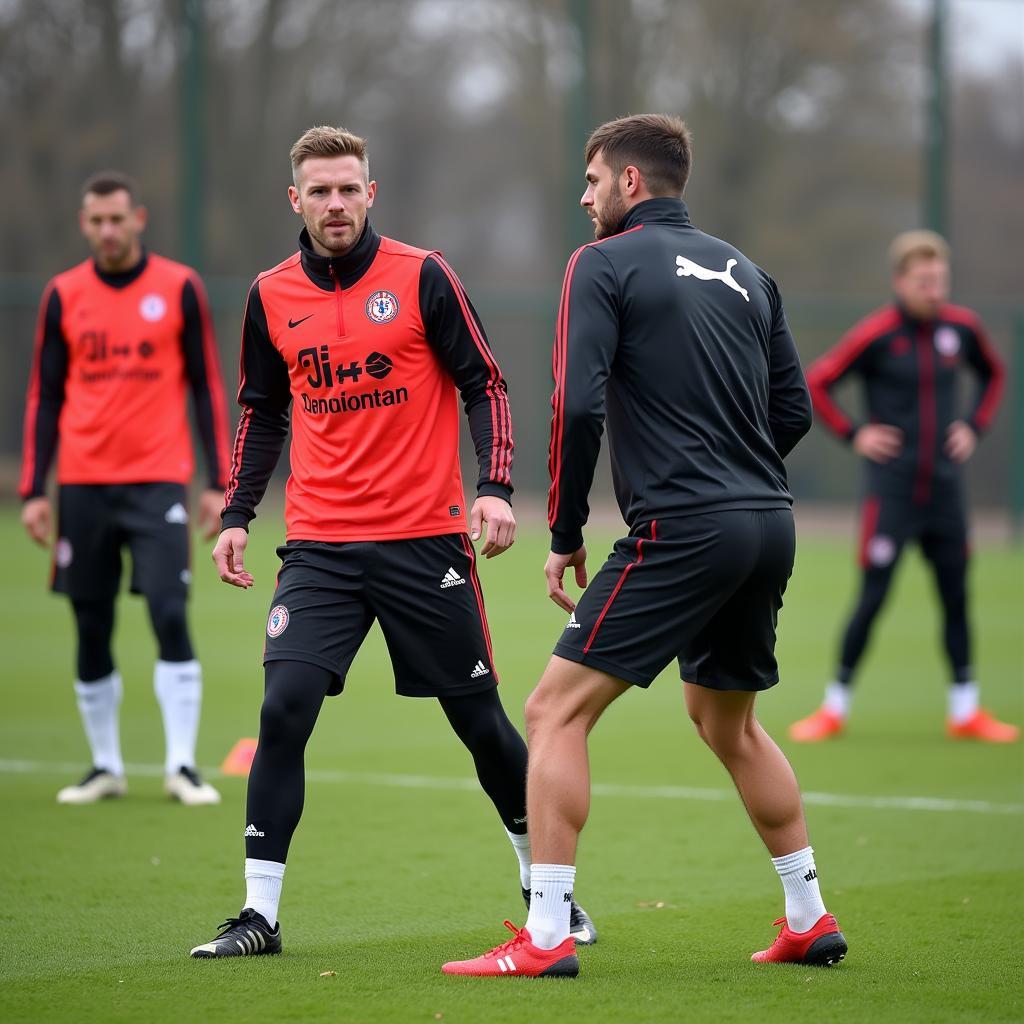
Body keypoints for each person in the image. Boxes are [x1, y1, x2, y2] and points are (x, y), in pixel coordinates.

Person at [442, 114, 845, 980]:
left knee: (554, 712)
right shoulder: (748, 270)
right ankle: (808, 917)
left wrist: (562, 533)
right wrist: (737, 475)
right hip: (767, 524)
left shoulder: (601, 262)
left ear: (630, 182)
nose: (582, 197)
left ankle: (546, 934)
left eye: (591, 181)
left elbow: (576, 405)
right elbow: (796, 414)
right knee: (725, 722)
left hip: (684, 527)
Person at [189, 126, 595, 958]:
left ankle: (544, 887)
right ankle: (258, 916)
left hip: (425, 545)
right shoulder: (270, 295)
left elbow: (485, 382)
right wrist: (237, 515)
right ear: (294, 200)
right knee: (282, 709)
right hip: (319, 551)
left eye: (348, 189)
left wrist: (492, 488)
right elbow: (263, 413)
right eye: (319, 191)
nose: (335, 204)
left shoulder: (423, 276)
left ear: (371, 194)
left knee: (479, 723)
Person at [20, 171, 230, 806]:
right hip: (82, 483)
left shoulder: (179, 287)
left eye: (117, 219)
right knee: (91, 622)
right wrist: (35, 488)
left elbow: (206, 385)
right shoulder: (63, 294)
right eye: (96, 221)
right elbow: (45, 393)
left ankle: (182, 766)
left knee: (169, 612)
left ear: (139, 218)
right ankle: (105, 766)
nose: (107, 231)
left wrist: (219, 481)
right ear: (84, 225)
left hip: (159, 478)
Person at [789, 230, 1014, 743]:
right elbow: (818, 381)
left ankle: (965, 710)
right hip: (891, 494)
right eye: (923, 281)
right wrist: (855, 433)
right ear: (900, 282)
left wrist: (975, 425)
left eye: (940, 280)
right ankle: (834, 707)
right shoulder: (877, 335)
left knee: (956, 598)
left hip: (946, 493)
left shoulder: (962, 329)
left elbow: (996, 374)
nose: (934, 290)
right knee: (872, 598)